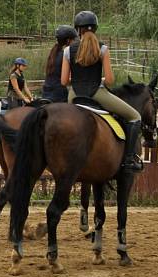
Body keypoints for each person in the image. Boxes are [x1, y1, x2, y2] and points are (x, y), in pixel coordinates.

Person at [61, 10, 143, 173]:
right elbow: (110, 80)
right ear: (96, 28)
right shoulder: (103, 49)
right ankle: (128, 160)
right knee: (135, 117)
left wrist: (77, 80)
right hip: (97, 92)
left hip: (74, 95)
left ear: (78, 30)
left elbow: (63, 81)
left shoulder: (68, 50)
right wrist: (100, 81)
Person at [41, 25, 78, 103]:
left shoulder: (53, 53)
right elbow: (66, 80)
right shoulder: (66, 54)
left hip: (46, 93)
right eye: (73, 40)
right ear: (68, 41)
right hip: (59, 95)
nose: (74, 43)